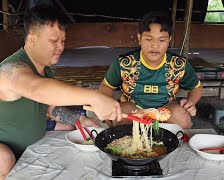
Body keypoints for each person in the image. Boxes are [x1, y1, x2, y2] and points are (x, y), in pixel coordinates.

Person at [0, 5, 122, 179]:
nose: (61, 47)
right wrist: (95, 97)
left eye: (63, 41)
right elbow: (36, 89)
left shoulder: (45, 69)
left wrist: (80, 119)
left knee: (70, 128)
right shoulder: (10, 70)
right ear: (32, 40)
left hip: (27, 147)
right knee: (3, 158)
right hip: (4, 151)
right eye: (53, 41)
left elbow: (50, 108)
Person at [99, 11, 203, 129]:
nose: (155, 45)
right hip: (133, 112)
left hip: (165, 112)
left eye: (162, 40)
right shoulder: (125, 63)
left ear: (169, 40)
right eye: (149, 39)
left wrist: (191, 103)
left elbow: (196, 88)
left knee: (182, 116)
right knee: (123, 110)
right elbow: (106, 86)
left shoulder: (178, 65)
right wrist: (108, 106)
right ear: (139, 39)